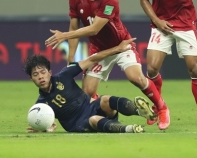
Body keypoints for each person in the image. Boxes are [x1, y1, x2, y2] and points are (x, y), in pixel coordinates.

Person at [45, 0, 170, 130]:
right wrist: (71, 58)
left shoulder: (110, 0)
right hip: (99, 51)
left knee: (136, 77)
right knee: (87, 92)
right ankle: (103, 113)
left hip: (121, 45)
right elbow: (74, 26)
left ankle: (162, 109)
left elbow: (94, 29)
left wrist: (63, 36)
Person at [25, 39, 157, 133]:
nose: (40, 77)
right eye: (36, 74)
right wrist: (45, 128)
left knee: (105, 99)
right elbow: (49, 123)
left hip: (90, 106)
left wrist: (117, 49)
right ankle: (128, 129)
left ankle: (141, 111)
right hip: (77, 123)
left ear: (50, 72)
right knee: (94, 119)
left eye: (43, 72)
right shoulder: (41, 104)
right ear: (31, 79)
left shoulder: (64, 75)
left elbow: (92, 59)